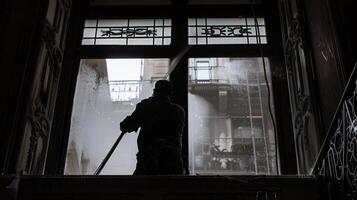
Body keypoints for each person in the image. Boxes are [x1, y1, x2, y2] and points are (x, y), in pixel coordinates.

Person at [120, 80, 185, 175]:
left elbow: (126, 125)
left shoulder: (146, 106)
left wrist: (145, 104)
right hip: (173, 165)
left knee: (135, 187)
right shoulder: (179, 111)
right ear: (170, 93)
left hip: (149, 164)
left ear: (155, 91)